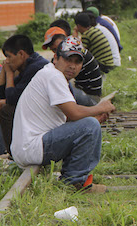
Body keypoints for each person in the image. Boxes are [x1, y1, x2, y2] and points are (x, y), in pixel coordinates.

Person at [11, 37, 115, 193]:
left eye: (77, 62)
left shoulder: (52, 75)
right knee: (90, 126)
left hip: (30, 146)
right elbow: (73, 113)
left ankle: (74, 179)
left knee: (90, 124)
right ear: (56, 58)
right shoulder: (54, 76)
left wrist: (92, 118)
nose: (72, 66)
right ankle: (74, 182)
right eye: (68, 59)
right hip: (33, 147)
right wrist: (99, 108)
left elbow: (68, 118)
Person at [0, 35, 49, 153]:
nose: (7, 61)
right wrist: (4, 71)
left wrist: (9, 73)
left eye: (9, 57)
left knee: (6, 111)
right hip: (38, 108)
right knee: (0, 105)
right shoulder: (29, 64)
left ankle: (14, 154)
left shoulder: (36, 67)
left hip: (47, 111)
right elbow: (3, 94)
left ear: (21, 54)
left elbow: (11, 98)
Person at [42, 26, 103, 107]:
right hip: (82, 91)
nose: (73, 66)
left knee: (57, 90)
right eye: (54, 50)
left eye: (58, 47)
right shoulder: (65, 54)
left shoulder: (79, 54)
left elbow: (58, 81)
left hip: (91, 98)